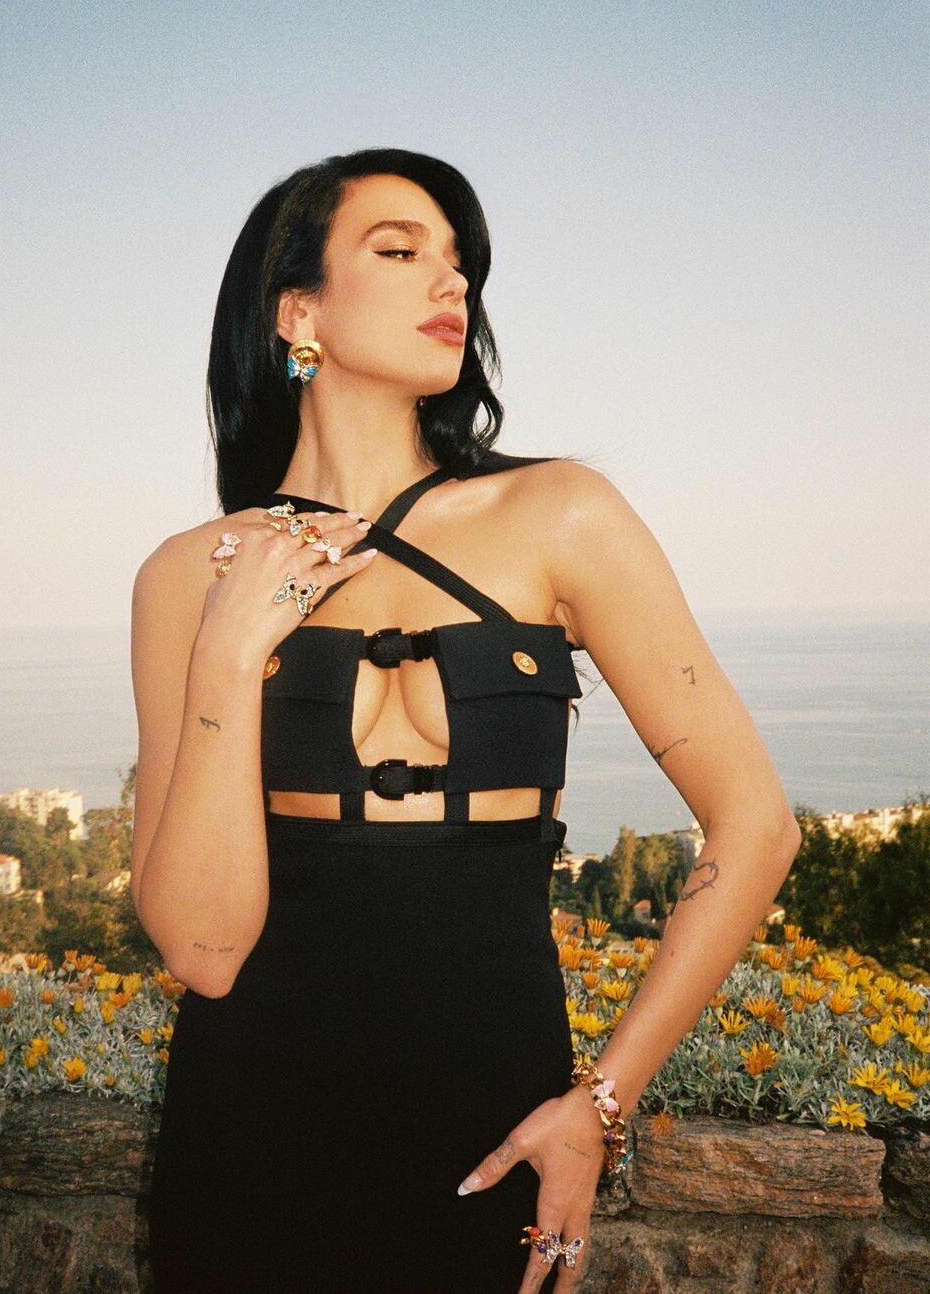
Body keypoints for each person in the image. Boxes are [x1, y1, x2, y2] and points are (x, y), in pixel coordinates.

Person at [130, 148, 802, 1292]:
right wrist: (233, 654)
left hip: (492, 1137)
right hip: (249, 1137)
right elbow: (202, 949)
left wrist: (600, 1105)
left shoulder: (561, 514)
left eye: (459, 263)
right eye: (400, 252)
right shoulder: (190, 575)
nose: (452, 283)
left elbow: (756, 827)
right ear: (299, 312)